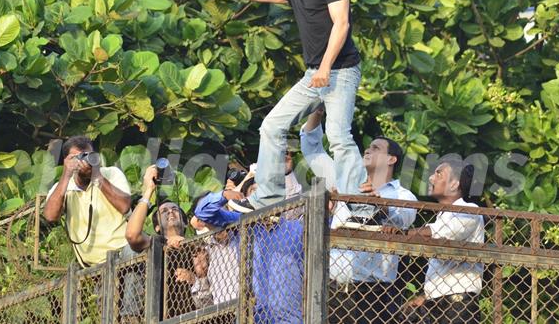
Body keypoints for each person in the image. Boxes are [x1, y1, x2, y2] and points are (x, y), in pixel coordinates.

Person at [196, 0, 366, 213]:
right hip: (314, 75)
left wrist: (326, 67)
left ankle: (361, 209)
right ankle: (268, 197)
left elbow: (342, 24)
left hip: (340, 71)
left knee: (338, 135)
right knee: (272, 126)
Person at [300, 108, 417, 324]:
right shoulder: (343, 181)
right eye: (368, 146)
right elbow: (311, 147)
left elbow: (404, 219)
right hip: (333, 289)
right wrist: (317, 110)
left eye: (376, 148)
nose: (368, 150)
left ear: (391, 159)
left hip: (374, 294)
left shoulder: (402, 194)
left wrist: (379, 203)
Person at [192, 173, 305, 324]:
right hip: (252, 317)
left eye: (268, 191)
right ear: (247, 202)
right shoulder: (243, 224)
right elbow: (202, 213)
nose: (264, 196)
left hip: (288, 318)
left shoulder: (297, 228)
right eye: (256, 192)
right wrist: (224, 195)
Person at [404, 157, 484, 324]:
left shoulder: (469, 210)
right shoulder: (443, 215)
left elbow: (444, 234)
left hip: (458, 301)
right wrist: (426, 296)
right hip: (436, 300)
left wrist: (404, 233)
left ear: (454, 184)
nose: (431, 178)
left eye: (438, 174)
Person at [43, 135, 131, 267]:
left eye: (88, 155)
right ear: (66, 161)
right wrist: (66, 175)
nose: (83, 161)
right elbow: (50, 216)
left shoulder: (111, 174)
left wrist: (96, 176)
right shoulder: (62, 187)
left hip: (124, 253)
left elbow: (124, 206)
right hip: (95, 267)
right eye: (76, 157)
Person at [124, 165, 195, 319]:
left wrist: (193, 278)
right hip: (158, 314)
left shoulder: (197, 245)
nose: (170, 212)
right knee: (127, 251)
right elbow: (132, 235)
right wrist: (148, 190)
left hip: (189, 314)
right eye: (164, 211)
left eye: (175, 209)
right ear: (156, 227)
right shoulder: (154, 243)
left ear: (185, 222)